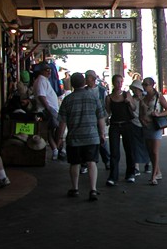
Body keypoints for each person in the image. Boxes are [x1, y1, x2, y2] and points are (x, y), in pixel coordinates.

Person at [56, 72, 107, 202]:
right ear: (84, 82)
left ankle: (75, 188)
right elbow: (101, 118)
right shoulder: (93, 97)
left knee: (75, 163)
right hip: (92, 136)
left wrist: (59, 138)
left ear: (72, 84)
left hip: (74, 138)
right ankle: (93, 189)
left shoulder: (67, 100)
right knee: (91, 162)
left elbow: (62, 122)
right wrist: (102, 134)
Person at [104, 74, 136, 186]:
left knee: (129, 150)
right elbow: (108, 112)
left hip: (127, 124)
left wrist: (129, 102)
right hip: (115, 125)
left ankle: (131, 173)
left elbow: (134, 108)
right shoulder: (109, 97)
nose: (119, 84)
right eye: (117, 82)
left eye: (121, 81)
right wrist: (106, 119)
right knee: (114, 151)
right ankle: (113, 176)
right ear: (113, 83)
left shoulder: (126, 94)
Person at [139, 77, 167, 186]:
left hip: (156, 125)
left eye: (146, 84)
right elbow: (140, 113)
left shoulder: (158, 96)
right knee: (150, 151)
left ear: (152, 85)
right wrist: (142, 121)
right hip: (146, 125)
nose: (144, 86)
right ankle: (157, 171)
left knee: (154, 151)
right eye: (143, 84)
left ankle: (153, 176)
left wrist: (158, 114)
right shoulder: (143, 97)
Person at [33, 62, 61, 160]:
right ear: (41, 71)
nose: (49, 72)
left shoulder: (44, 80)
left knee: (52, 130)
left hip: (50, 109)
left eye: (50, 70)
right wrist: (48, 108)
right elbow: (41, 96)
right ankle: (56, 149)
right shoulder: (41, 80)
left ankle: (56, 149)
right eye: (47, 70)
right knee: (52, 130)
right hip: (47, 110)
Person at [85, 69, 111, 171]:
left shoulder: (102, 90)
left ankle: (107, 161)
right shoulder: (84, 90)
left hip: (100, 118)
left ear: (93, 78)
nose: (86, 79)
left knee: (102, 140)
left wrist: (107, 116)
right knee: (88, 142)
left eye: (87, 77)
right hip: (88, 119)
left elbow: (106, 104)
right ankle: (86, 163)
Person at [128, 79, 151, 175]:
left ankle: (147, 163)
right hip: (134, 123)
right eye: (133, 89)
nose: (135, 91)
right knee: (135, 146)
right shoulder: (131, 99)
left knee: (147, 145)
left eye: (136, 89)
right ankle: (136, 166)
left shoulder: (146, 99)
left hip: (145, 124)